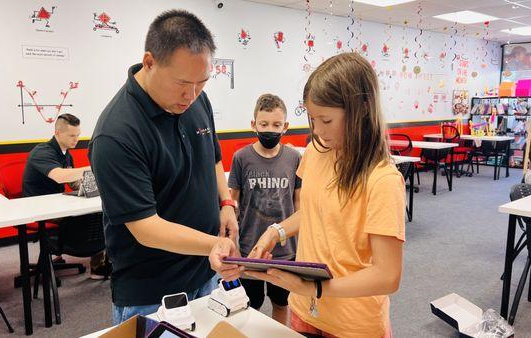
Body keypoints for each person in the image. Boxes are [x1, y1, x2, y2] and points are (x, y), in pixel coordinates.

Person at [236, 53, 405, 338]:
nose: (317, 130)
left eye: (326, 120)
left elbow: (387, 276)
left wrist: (316, 287)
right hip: (305, 309)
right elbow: (315, 210)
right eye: (312, 119)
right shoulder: (316, 150)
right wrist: (276, 231)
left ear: (362, 109)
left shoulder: (383, 179)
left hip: (352, 323)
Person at [88, 10, 240, 324]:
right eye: (183, 84)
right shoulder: (116, 134)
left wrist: (225, 203)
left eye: (202, 83)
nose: (192, 95)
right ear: (149, 62)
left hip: (204, 271)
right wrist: (215, 244)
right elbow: (146, 228)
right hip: (153, 292)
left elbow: (213, 157)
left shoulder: (197, 98)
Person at [227, 93, 301, 325]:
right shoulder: (241, 158)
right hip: (251, 248)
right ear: (253, 125)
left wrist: (302, 240)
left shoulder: (293, 157)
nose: (270, 129)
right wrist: (234, 242)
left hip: (286, 249)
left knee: (282, 302)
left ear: (285, 126)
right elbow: (233, 203)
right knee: (252, 304)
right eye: (264, 124)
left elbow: (299, 204)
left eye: (277, 125)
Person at [22, 113, 110, 280]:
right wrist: (94, 167)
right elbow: (60, 176)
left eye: (77, 135)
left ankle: (102, 262)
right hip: (39, 208)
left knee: (102, 211)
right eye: (71, 135)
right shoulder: (42, 152)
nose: (75, 139)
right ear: (57, 133)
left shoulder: (65, 154)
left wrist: (91, 185)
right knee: (89, 218)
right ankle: (94, 262)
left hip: (59, 204)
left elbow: (74, 182)